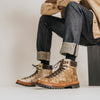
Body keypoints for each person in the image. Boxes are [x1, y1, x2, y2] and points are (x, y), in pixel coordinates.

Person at [16, 0, 100, 89]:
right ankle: (44, 69)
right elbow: (44, 9)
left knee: (73, 6)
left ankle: (69, 70)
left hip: (96, 29)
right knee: (45, 20)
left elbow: (72, 1)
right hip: (77, 31)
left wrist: (57, 2)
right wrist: (60, 5)